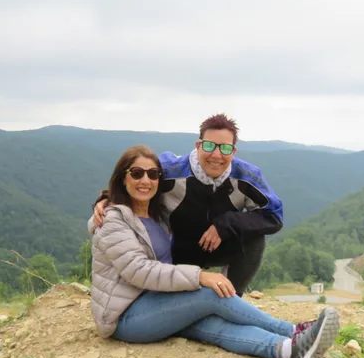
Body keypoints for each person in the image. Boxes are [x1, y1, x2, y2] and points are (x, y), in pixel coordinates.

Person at [90, 145, 339, 358]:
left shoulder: (157, 214)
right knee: (211, 293)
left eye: (153, 174)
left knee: (215, 326)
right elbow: (138, 271)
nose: (145, 180)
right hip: (126, 317)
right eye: (136, 173)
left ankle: (288, 350)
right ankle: (293, 331)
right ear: (123, 178)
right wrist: (199, 276)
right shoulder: (113, 221)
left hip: (158, 303)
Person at [94, 114, 282, 296]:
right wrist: (107, 198)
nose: (217, 155)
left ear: (233, 152)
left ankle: (231, 297)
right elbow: (139, 183)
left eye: (225, 148)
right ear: (198, 145)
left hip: (220, 246)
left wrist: (228, 223)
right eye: (209, 145)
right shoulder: (171, 170)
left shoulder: (246, 177)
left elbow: (274, 216)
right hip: (176, 250)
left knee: (254, 239)